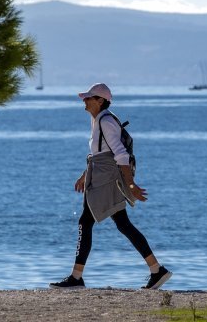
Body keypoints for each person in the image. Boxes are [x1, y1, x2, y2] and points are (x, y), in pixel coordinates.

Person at [50, 83, 172, 290]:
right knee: (120, 224)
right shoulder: (99, 120)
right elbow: (99, 154)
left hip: (107, 179)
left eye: (89, 98)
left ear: (100, 101)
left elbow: (120, 154)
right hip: (100, 176)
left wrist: (131, 184)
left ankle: (77, 277)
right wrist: (84, 174)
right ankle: (156, 270)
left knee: (88, 222)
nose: (84, 101)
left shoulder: (106, 121)